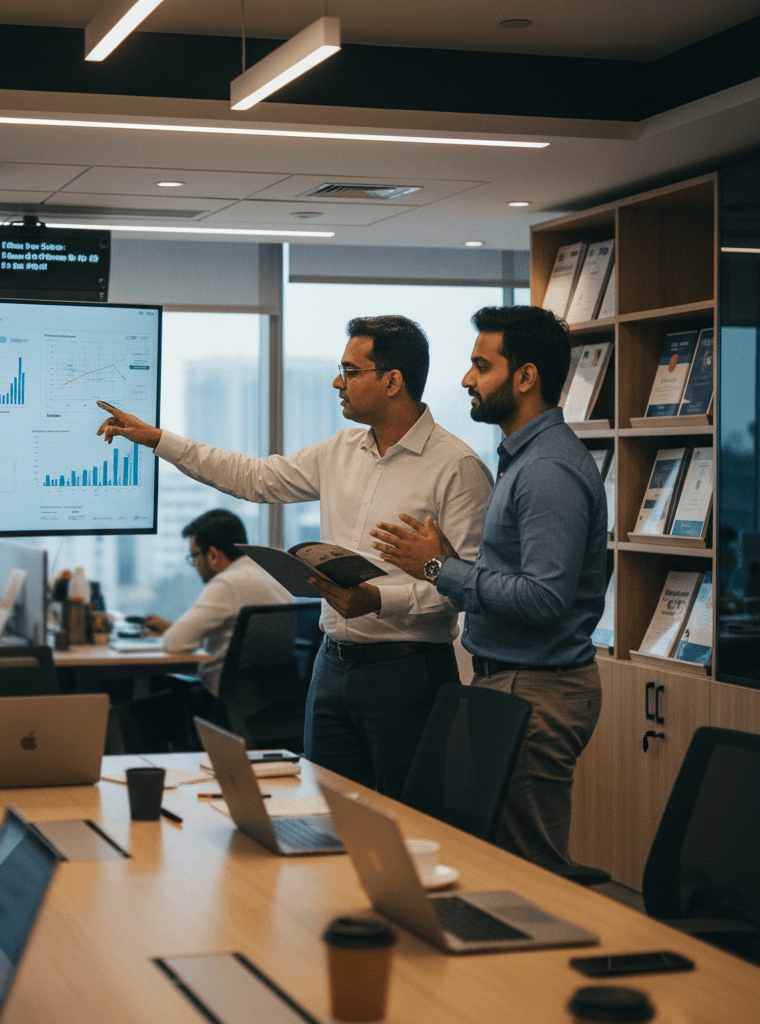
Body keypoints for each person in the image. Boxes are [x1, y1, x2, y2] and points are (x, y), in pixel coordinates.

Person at [97, 315, 492, 796]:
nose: (336, 382)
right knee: (326, 813)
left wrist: (380, 602)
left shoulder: (457, 467)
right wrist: (160, 440)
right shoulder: (340, 450)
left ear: (392, 381)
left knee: (406, 818)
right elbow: (253, 477)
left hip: (406, 672)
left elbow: (464, 590)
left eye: (349, 371)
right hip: (332, 666)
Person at [370, 305, 607, 869]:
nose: (466, 380)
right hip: (511, 683)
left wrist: (439, 569)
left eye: (482, 365)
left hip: (539, 688)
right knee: (495, 863)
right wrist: (447, 564)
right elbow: (510, 581)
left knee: (530, 872)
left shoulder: (547, 469)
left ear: (525, 378)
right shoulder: (522, 459)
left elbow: (545, 600)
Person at [142, 509, 293, 703]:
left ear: (213, 554)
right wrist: (171, 627)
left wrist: (174, 633)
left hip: (224, 703)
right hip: (272, 702)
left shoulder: (228, 583)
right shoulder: (270, 575)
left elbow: (174, 643)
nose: (194, 565)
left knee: (140, 698)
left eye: (194, 556)